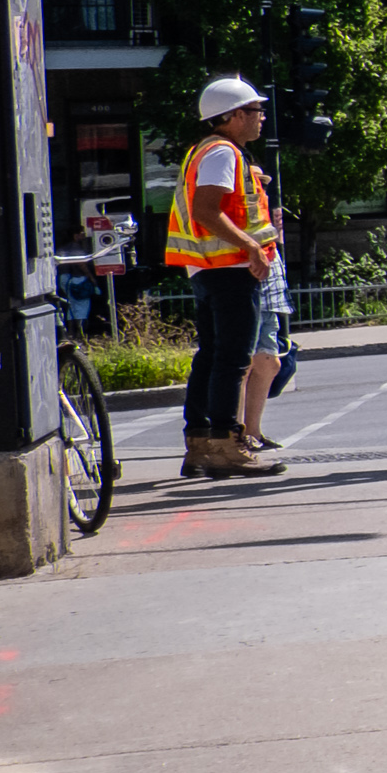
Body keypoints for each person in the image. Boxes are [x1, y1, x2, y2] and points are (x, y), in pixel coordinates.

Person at [168, 77, 284, 478]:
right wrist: (252, 248)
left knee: (211, 356)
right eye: (255, 111)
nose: (261, 118)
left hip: (208, 270)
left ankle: (199, 442)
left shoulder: (209, 151)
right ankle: (225, 443)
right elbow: (205, 209)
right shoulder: (222, 153)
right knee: (233, 358)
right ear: (233, 116)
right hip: (229, 270)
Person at [239, 178, 293, 457]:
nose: (262, 185)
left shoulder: (261, 209)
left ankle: (253, 431)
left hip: (268, 293)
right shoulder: (237, 207)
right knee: (242, 366)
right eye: (257, 180)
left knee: (269, 364)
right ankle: (235, 434)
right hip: (248, 286)